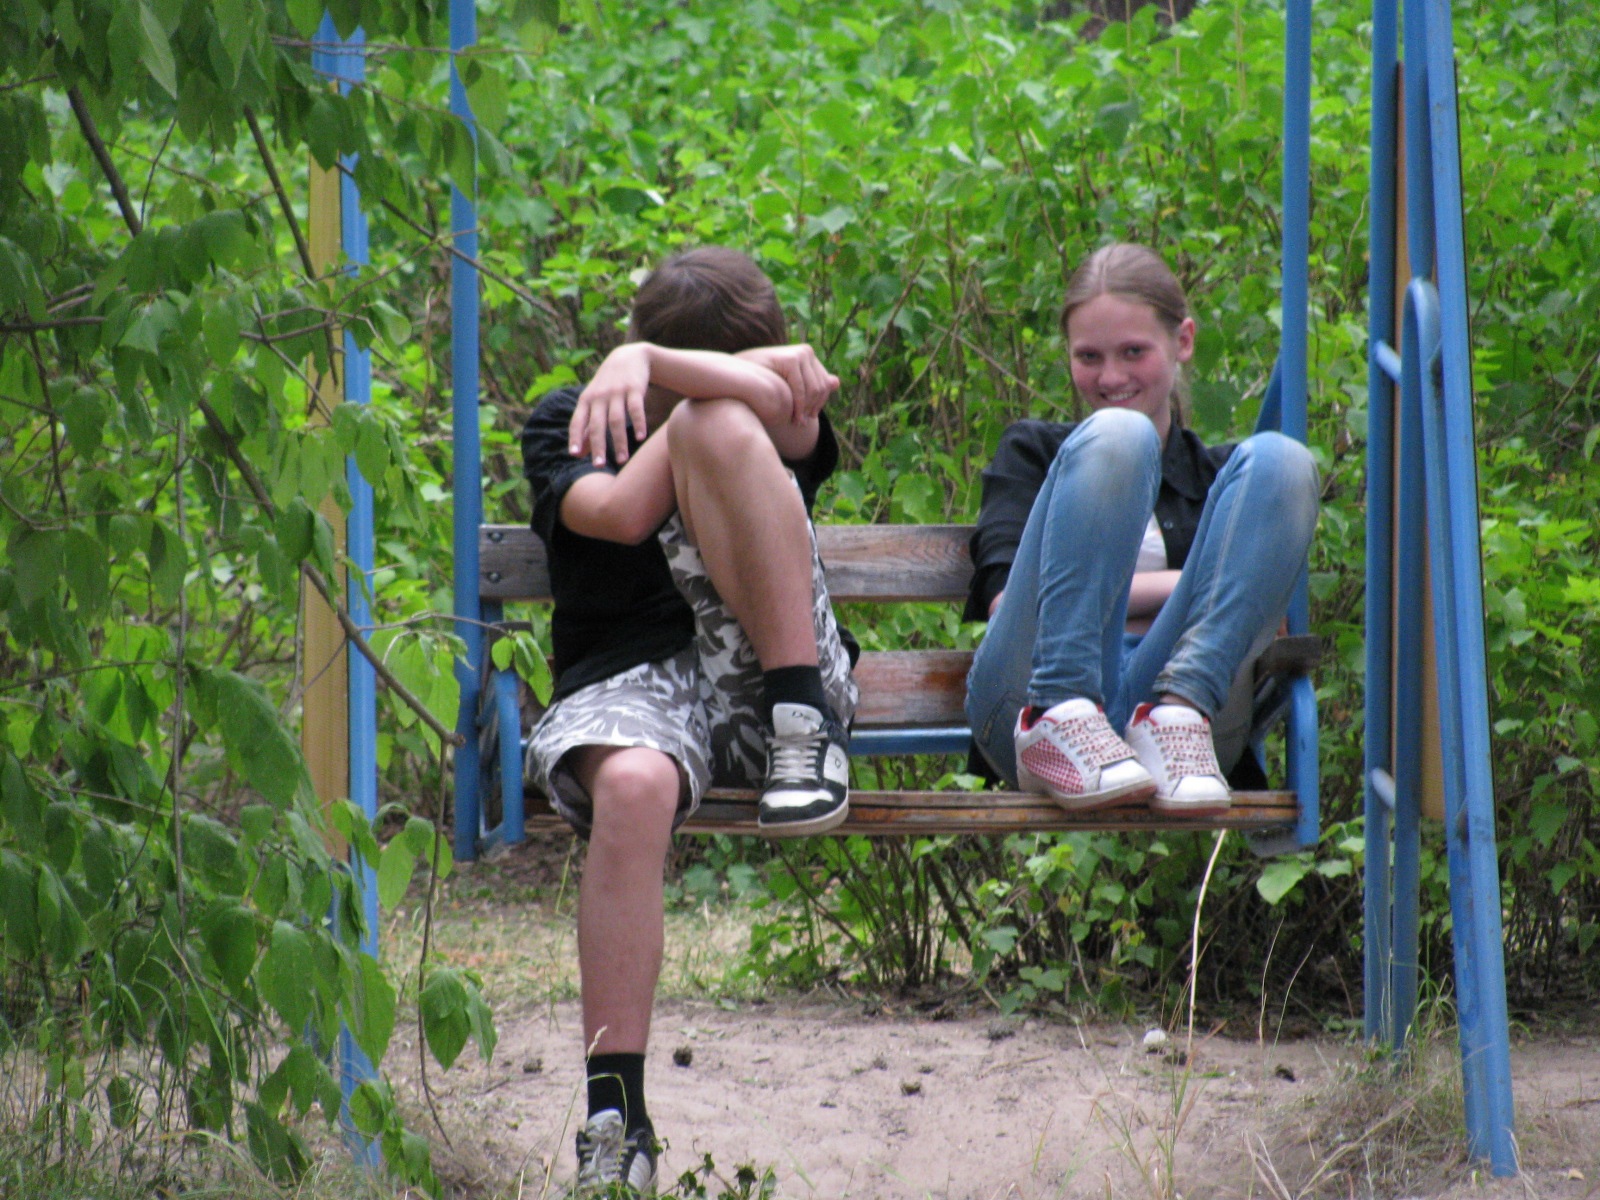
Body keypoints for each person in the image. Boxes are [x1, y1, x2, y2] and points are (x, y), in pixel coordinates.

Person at [519, 247, 857, 1193]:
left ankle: (806, 730)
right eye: (663, 368)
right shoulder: (569, 417)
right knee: (630, 785)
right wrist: (673, 381)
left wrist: (656, 366)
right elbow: (621, 515)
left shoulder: (749, 416)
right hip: (631, 687)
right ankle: (615, 1121)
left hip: (775, 682)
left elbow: (779, 418)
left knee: (720, 424)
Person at [964, 242, 1319, 814]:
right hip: (1028, 699)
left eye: (1133, 351)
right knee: (1119, 436)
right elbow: (1013, 606)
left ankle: (1178, 713)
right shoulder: (1033, 454)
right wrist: (1187, 587)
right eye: (1089, 356)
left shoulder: (1227, 482)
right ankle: (1061, 713)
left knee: (1284, 461)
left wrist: (1119, 600)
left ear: (1183, 341)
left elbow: (1255, 628)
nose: (1111, 376)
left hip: (1179, 709)